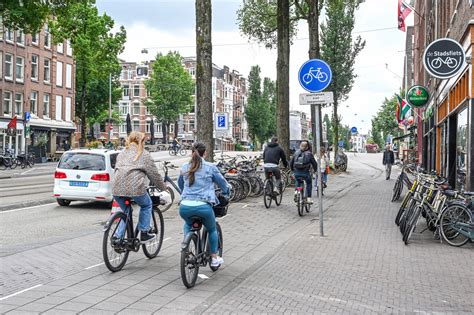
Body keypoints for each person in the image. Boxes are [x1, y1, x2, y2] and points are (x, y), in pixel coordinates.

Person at [178, 142, 230, 268]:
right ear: (204, 153)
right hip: (203, 206)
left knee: (188, 224)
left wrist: (185, 195)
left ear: (192, 153)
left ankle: (187, 249)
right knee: (212, 229)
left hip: (184, 206)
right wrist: (226, 192)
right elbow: (223, 184)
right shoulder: (210, 167)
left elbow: (181, 184)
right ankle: (214, 258)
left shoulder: (184, 167)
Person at [112, 131, 168, 243]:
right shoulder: (144, 154)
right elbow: (154, 174)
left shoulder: (122, 153)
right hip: (135, 188)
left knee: (126, 211)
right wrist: (163, 188)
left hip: (116, 188)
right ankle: (144, 233)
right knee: (147, 205)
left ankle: (118, 237)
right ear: (141, 141)